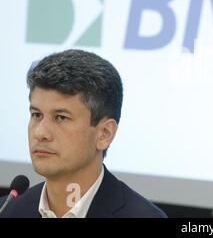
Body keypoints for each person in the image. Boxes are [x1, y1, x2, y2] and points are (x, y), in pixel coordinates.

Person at [0, 49, 167, 218]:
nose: (40, 132)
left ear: (104, 134)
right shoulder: (7, 211)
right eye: (36, 115)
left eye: (61, 117)